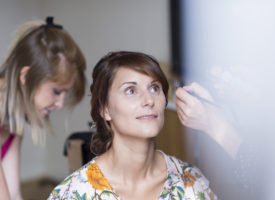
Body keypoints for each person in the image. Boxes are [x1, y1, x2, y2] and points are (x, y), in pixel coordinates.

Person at [48, 51, 218, 200]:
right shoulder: (73, 192)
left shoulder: (191, 182)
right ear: (105, 110)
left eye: (154, 88)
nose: (149, 100)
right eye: (131, 90)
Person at [0, 17, 86, 200]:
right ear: (26, 76)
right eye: (56, 91)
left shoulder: (14, 122)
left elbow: (14, 194)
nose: (60, 104)